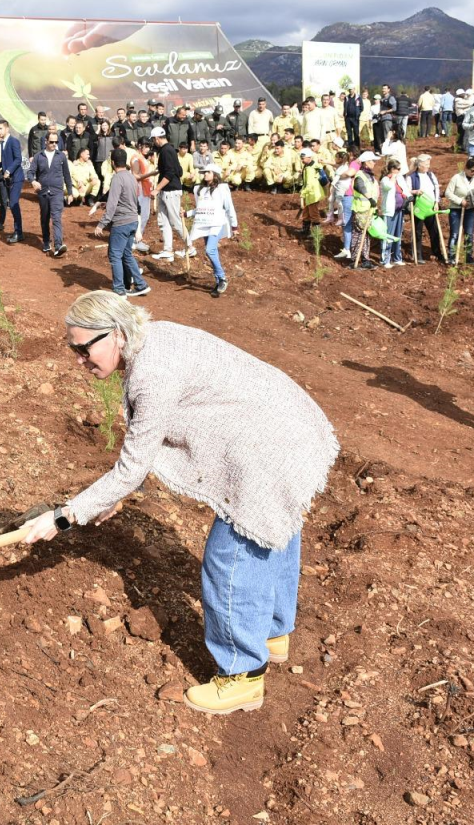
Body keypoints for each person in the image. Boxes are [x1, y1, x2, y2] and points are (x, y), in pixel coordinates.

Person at [21, 291, 338, 714]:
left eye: (84, 348)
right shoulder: (154, 338)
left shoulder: (151, 373)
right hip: (285, 422)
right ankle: (271, 632)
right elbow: (141, 455)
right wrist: (114, 494)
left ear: (115, 334)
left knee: (231, 557)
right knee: (275, 529)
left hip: (267, 445)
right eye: (72, 349)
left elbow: (133, 464)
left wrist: (65, 516)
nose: (79, 359)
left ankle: (242, 675)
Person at [93, 148, 150, 297]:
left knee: (115, 255)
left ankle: (119, 289)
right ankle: (140, 284)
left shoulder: (117, 178)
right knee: (127, 254)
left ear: (112, 162)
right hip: (132, 221)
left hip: (121, 222)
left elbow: (112, 204)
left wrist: (101, 224)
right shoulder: (132, 177)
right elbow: (132, 200)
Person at [187, 163, 238, 296]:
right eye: (204, 173)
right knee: (211, 251)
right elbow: (202, 209)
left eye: (208, 172)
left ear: (215, 174)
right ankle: (218, 282)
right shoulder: (201, 190)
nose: (205, 175)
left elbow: (229, 207)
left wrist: (234, 226)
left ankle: (222, 278)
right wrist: (188, 214)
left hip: (217, 223)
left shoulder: (222, 189)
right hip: (204, 222)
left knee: (210, 249)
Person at [145, 126, 191, 263]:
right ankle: (168, 250)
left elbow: (171, 174)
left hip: (170, 191)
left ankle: (190, 246)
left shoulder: (167, 151)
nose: (153, 142)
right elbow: (179, 171)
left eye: (153, 140)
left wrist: (157, 189)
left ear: (157, 138)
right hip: (167, 191)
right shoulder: (169, 150)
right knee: (163, 220)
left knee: (175, 221)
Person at [26, 130, 73, 256]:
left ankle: (58, 245)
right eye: (51, 142)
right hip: (43, 192)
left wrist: (70, 192)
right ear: (46, 141)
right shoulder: (38, 156)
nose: (54, 144)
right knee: (45, 217)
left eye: (56, 142)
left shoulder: (61, 156)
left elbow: (67, 175)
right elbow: (30, 172)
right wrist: (33, 181)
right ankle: (46, 241)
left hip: (57, 191)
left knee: (56, 217)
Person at [444, 157, 474, 263]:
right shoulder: (456, 178)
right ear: (466, 169)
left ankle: (468, 256)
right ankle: (452, 256)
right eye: (472, 170)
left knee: (469, 233)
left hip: (470, 210)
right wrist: (460, 201)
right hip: (456, 209)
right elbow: (448, 193)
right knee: (455, 233)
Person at [406, 154, 444, 264]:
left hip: (431, 207)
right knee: (417, 231)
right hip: (418, 208)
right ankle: (417, 255)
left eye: (428, 164)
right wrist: (415, 191)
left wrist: (437, 201)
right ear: (420, 165)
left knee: (434, 230)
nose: (428, 166)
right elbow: (407, 190)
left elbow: (436, 188)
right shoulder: (412, 177)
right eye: (426, 164)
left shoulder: (431, 175)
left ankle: (437, 253)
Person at [348, 152, 380, 270]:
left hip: (369, 210)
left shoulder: (370, 176)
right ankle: (354, 261)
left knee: (366, 236)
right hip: (360, 209)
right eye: (372, 161)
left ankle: (365, 259)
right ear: (366, 162)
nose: (374, 163)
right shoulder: (360, 175)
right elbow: (359, 187)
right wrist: (369, 198)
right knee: (358, 235)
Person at [378, 158, 408, 267]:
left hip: (399, 210)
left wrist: (407, 197)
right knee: (388, 235)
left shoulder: (400, 179)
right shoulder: (385, 180)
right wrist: (393, 178)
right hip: (389, 211)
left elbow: (405, 190)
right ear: (392, 169)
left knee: (397, 234)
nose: (399, 171)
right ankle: (385, 259)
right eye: (398, 169)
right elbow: (388, 187)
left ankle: (397, 257)